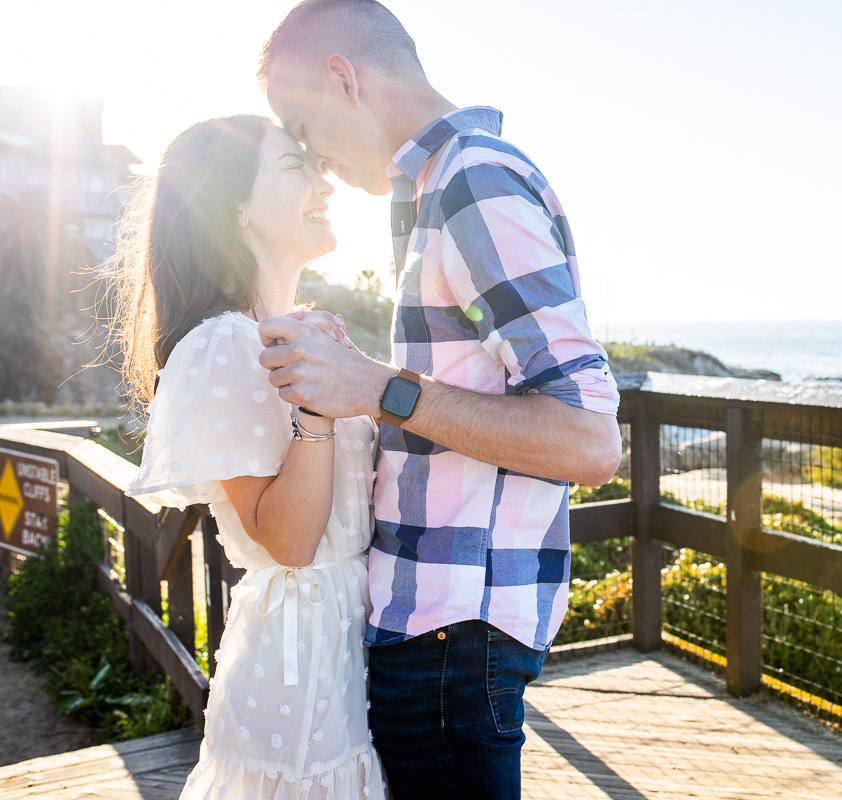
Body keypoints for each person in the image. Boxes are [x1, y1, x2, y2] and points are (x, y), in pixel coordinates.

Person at [254, 1, 624, 797]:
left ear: (343, 80)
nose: (312, 162)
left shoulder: (472, 182)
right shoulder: (437, 189)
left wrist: (377, 387)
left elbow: (590, 441)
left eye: (301, 127)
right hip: (436, 628)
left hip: (452, 637)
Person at [117, 114, 387, 799]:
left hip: (350, 638)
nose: (324, 181)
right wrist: (321, 408)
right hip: (303, 661)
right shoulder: (224, 346)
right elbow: (288, 541)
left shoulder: (289, 334)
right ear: (235, 210)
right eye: (296, 167)